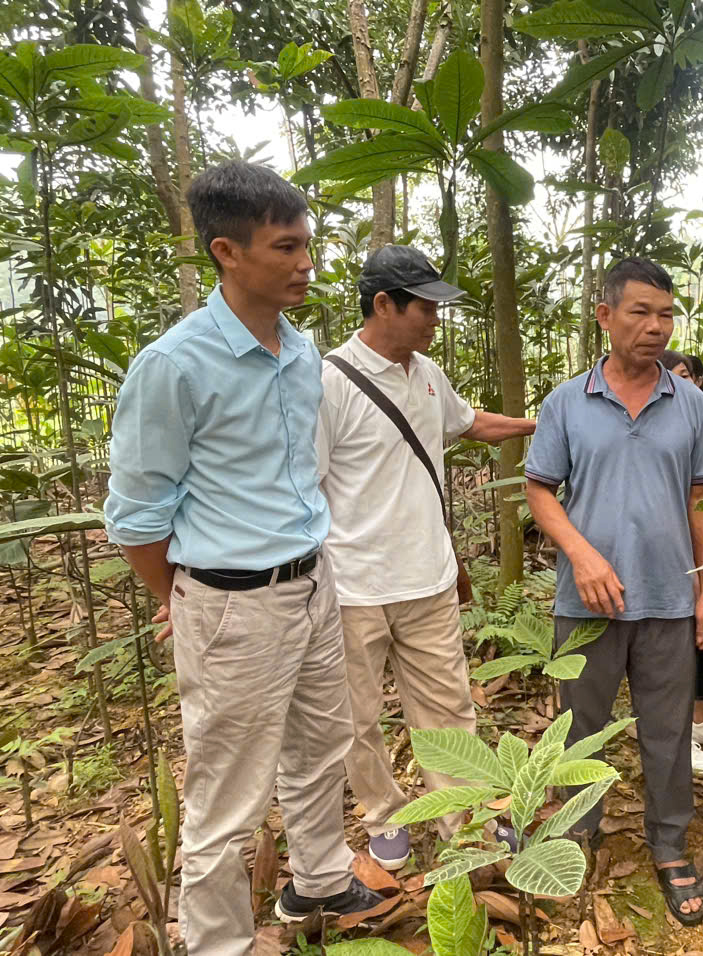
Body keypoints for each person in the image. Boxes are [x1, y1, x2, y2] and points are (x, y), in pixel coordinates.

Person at [104, 162, 382, 953]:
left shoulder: (300, 351)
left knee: (321, 747)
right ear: (227, 251)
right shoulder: (174, 366)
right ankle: (217, 944)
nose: (307, 265)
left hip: (311, 582)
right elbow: (136, 514)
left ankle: (321, 881)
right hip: (231, 603)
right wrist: (181, 597)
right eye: (286, 247)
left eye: (307, 245)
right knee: (227, 796)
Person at [317, 245, 536, 871]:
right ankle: (383, 814)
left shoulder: (428, 373)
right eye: (425, 307)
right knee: (357, 719)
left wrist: (538, 425)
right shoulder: (328, 382)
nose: (435, 320)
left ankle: (462, 821)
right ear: (383, 305)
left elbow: (470, 425)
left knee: (446, 708)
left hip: (429, 581)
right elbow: (303, 486)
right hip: (352, 586)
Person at [524, 258, 703, 926]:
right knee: (580, 730)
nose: (656, 327)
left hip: (669, 599)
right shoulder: (564, 403)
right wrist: (581, 555)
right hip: (586, 605)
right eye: (640, 311)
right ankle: (577, 834)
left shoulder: (691, 404)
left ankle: (669, 847)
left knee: (667, 733)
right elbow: (539, 490)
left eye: (666, 313)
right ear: (605, 315)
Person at [660, 349, 703, 777]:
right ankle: (676, 730)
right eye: (672, 377)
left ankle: (701, 720)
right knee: (674, 642)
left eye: (687, 375)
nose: (681, 383)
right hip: (667, 546)